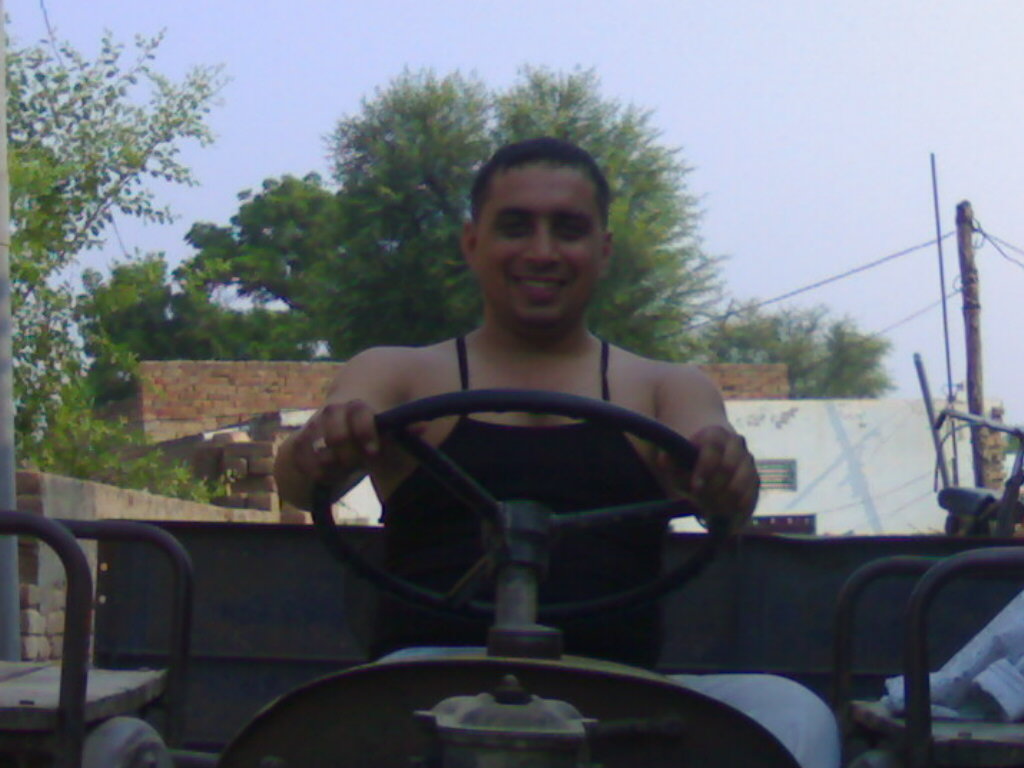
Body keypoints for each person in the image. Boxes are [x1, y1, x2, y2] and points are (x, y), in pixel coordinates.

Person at [274, 137, 839, 768]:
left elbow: (723, 480)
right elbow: (301, 477)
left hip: (614, 693)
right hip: (425, 689)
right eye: (516, 227)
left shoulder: (665, 388)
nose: (542, 252)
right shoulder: (399, 374)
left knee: (794, 714)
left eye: (568, 229)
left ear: (603, 249)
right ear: (472, 243)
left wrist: (722, 472)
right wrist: (325, 446)